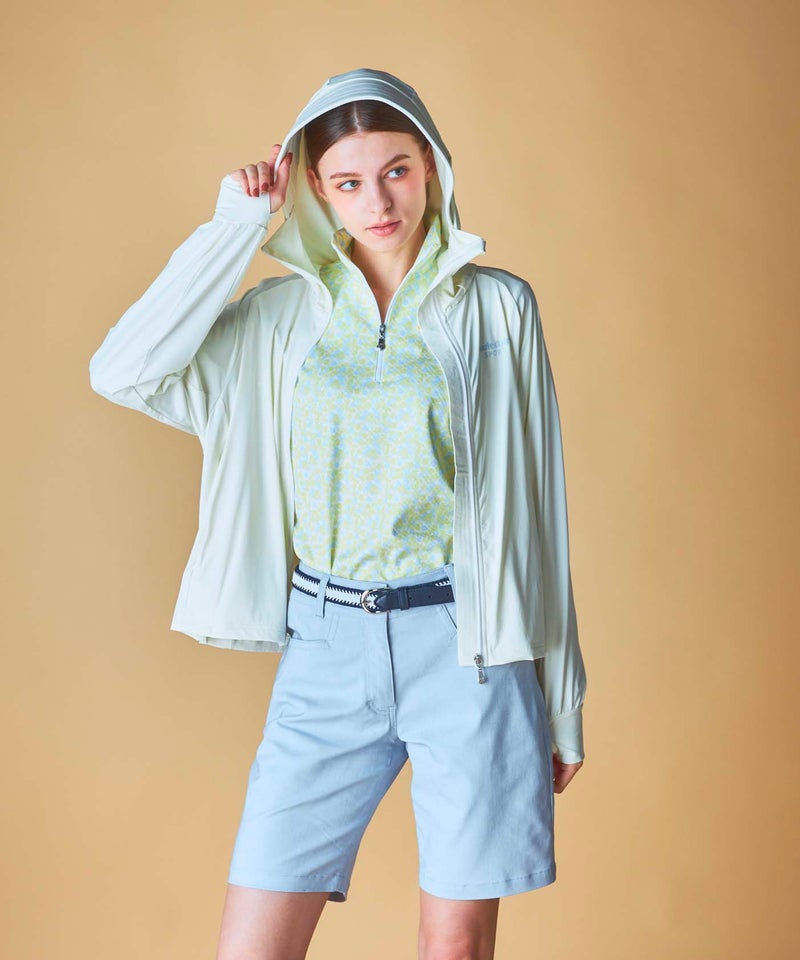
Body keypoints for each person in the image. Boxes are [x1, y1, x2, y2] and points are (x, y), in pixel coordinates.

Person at [89, 67, 587, 960]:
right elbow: (122, 370)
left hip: (470, 651)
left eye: (396, 170)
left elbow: (539, 512)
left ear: (431, 165)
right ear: (317, 189)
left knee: (455, 949)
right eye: (349, 182)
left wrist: (563, 701)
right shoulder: (278, 322)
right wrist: (236, 226)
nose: (379, 202)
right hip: (324, 644)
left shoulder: (499, 309)